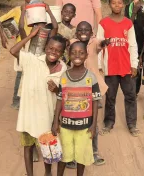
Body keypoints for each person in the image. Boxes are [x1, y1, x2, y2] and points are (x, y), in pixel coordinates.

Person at [10, 31, 67, 176]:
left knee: (46, 147)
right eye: (51, 48)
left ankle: (47, 173)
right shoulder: (32, 60)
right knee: (28, 146)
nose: (53, 52)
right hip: (29, 115)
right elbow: (13, 50)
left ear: (62, 53)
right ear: (45, 47)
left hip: (47, 116)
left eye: (58, 50)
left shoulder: (64, 69)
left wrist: (57, 90)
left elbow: (65, 94)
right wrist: (31, 36)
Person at [52, 41, 101, 176]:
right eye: (73, 53)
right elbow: (60, 100)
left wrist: (93, 125)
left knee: (81, 157)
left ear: (86, 55)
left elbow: (95, 102)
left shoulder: (91, 77)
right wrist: (56, 121)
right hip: (66, 126)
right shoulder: (64, 77)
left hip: (84, 126)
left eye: (81, 53)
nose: (77, 56)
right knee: (63, 156)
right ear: (68, 55)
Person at [66, 21, 110, 168]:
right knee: (73, 121)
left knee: (92, 123)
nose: (83, 31)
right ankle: (71, 155)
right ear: (76, 32)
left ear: (91, 32)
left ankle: (94, 152)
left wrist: (105, 42)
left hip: (92, 88)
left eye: (87, 30)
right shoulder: (72, 42)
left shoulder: (94, 42)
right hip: (75, 89)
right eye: (80, 29)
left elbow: (101, 43)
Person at [97, 0, 140, 137]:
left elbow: (133, 45)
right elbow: (98, 44)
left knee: (130, 95)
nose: (116, 5)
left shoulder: (128, 23)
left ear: (123, 5)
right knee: (110, 96)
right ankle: (109, 122)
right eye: (113, 3)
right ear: (109, 4)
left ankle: (132, 124)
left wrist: (134, 64)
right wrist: (99, 65)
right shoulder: (103, 23)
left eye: (119, 3)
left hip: (126, 66)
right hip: (110, 67)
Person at [0, 0, 35, 110]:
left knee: (32, 73)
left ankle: (29, 100)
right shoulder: (17, 10)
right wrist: (3, 37)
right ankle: (16, 100)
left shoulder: (36, 11)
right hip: (20, 47)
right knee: (20, 73)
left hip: (33, 46)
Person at [124, 0, 144, 96]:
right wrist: (134, 10)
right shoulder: (128, 6)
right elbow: (127, 24)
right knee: (135, 63)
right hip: (134, 40)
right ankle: (134, 90)